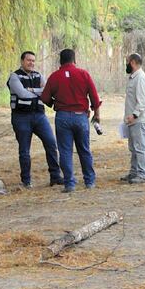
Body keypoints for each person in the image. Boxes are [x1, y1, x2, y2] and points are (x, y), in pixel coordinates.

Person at [40, 49, 102, 193]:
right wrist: (97, 114)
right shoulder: (83, 74)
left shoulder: (54, 76)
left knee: (65, 151)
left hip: (62, 117)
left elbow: (44, 97)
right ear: (74, 60)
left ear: (60, 61)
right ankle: (89, 181)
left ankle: (69, 184)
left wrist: (54, 103)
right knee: (84, 150)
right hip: (81, 116)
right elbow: (94, 97)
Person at [7, 51, 63, 188]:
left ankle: (55, 177)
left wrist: (32, 90)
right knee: (24, 150)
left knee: (51, 143)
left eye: (33, 60)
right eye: (28, 60)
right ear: (22, 61)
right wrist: (39, 92)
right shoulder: (14, 77)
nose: (31, 63)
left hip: (39, 116)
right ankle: (26, 181)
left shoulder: (39, 75)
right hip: (21, 117)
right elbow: (22, 94)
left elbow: (47, 91)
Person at [121, 53, 145, 184]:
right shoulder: (133, 78)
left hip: (139, 120)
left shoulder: (141, 78)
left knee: (140, 147)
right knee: (133, 148)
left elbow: (142, 101)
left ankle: (143, 174)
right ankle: (134, 172)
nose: (126, 64)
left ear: (132, 62)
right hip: (132, 120)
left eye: (127, 62)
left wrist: (134, 115)